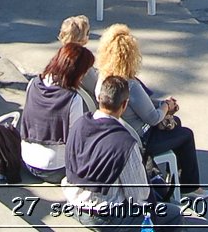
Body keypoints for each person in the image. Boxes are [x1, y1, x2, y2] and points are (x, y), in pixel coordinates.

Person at [62, 74, 184, 230]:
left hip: (72, 203)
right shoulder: (125, 143)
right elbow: (139, 196)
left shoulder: (80, 123)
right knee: (173, 214)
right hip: (104, 216)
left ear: (99, 97)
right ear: (124, 104)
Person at [93, 23, 201, 198]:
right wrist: (166, 106)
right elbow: (152, 118)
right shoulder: (131, 85)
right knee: (186, 135)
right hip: (140, 138)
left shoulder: (104, 79)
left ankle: (172, 175)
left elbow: (143, 104)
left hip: (121, 129)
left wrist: (162, 105)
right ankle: (190, 187)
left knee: (176, 125)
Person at [21, 41, 98, 181]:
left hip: (27, 160)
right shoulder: (73, 99)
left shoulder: (33, 84)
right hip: (55, 169)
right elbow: (77, 140)